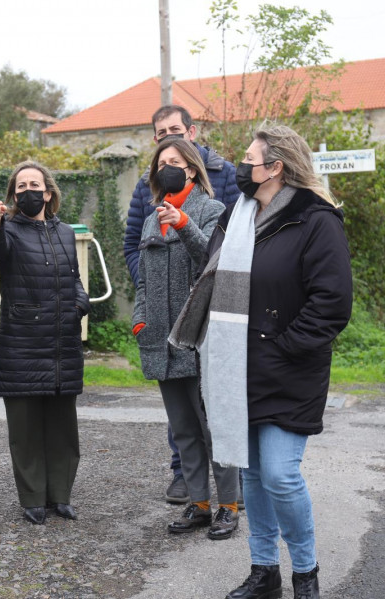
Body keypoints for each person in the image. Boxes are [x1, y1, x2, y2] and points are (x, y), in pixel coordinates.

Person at [171, 124, 352, 598]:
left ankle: (306, 573)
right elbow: (212, 276)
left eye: (249, 159)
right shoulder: (237, 215)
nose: (240, 168)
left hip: (291, 366)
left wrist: (284, 345)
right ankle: (264, 570)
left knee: (279, 473)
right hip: (238, 367)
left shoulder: (317, 219)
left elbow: (332, 303)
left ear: (276, 167)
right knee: (250, 472)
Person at [123, 104, 240, 504]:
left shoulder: (213, 210)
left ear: (191, 168)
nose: (166, 168)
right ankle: (199, 503)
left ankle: (228, 503)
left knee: (212, 425)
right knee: (183, 429)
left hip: (199, 335)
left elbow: (214, 261)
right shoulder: (151, 217)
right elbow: (145, 277)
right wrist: (141, 320)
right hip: (160, 336)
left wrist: (185, 224)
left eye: (175, 161)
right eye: (161, 163)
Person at [0, 161, 90, 525]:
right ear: (14, 194)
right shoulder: (9, 228)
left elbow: (74, 276)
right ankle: (32, 499)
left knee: (63, 427)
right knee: (26, 429)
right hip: (22, 342)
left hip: (62, 341)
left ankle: (60, 496)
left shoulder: (63, 232)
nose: (29, 190)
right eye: (21, 185)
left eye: (35, 184)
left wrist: (80, 304)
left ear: (48, 192)